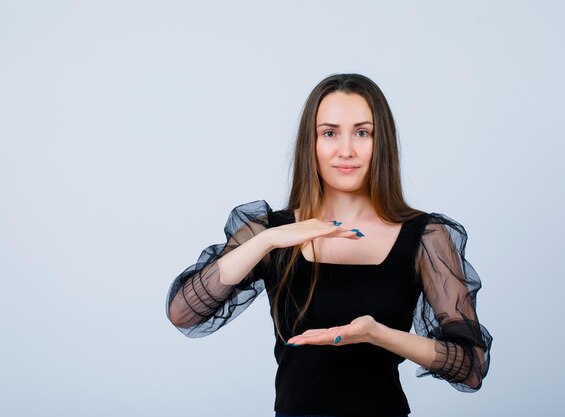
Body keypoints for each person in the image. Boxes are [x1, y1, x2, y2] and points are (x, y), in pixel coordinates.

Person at [166, 73, 492, 417]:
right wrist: (267, 240)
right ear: (312, 143)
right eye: (330, 133)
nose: (346, 150)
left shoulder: (425, 236)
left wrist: (377, 334)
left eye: (362, 132)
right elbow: (184, 314)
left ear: (382, 143)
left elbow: (470, 368)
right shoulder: (271, 233)